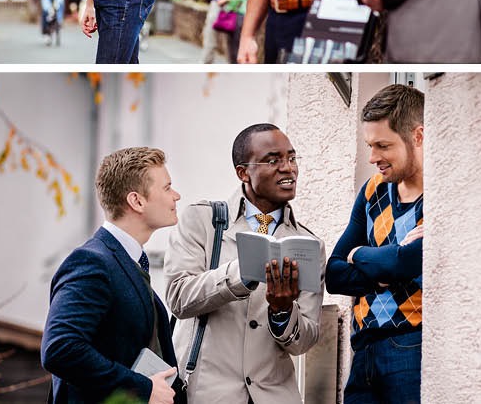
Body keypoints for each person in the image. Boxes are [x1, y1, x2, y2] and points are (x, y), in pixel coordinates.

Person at [165, 124, 324, 403]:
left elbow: (305, 341)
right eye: (273, 160)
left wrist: (283, 312)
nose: (288, 168)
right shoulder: (202, 221)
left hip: (274, 396)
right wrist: (243, 274)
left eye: (292, 158)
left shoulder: (308, 244)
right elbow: (178, 298)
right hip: (207, 395)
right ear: (243, 172)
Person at [42, 147, 183, 404]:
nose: (176, 196)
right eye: (167, 188)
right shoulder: (91, 262)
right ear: (136, 201)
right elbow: (60, 348)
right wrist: (142, 388)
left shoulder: (126, 261)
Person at [325, 85, 424, 404]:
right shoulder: (373, 190)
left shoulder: (438, 196)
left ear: (418, 136)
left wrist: (358, 254)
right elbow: (335, 274)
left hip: (409, 345)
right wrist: (383, 265)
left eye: (383, 145)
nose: (373, 158)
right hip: (362, 348)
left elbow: (406, 263)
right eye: (370, 145)